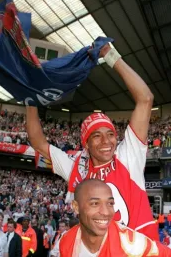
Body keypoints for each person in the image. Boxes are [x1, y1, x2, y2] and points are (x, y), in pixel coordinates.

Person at [27, 44, 158, 239]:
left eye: (111, 134)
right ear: (86, 144)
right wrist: (30, 99)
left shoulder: (127, 155)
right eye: (97, 135)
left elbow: (146, 99)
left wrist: (111, 56)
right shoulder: (76, 167)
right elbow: (38, 142)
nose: (106, 141)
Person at [57, 179, 171, 256]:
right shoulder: (66, 241)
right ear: (76, 207)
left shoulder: (133, 246)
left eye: (110, 204)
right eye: (95, 203)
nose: (106, 212)